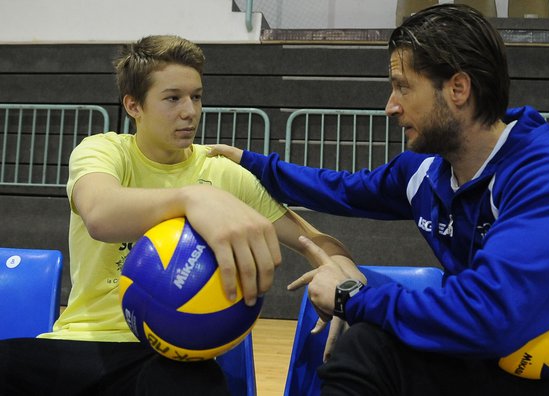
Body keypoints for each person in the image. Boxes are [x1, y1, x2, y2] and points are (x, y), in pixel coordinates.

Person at [209, 4, 549, 395]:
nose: (390, 107)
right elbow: (341, 188)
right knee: (365, 346)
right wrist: (253, 164)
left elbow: (490, 315)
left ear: (458, 89)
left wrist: (351, 298)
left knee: (367, 325)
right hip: (477, 358)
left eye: (402, 88)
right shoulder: (426, 171)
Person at [0, 35, 360, 395]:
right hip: (84, 341)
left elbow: (313, 241)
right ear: (133, 105)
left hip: (172, 356)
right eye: (173, 98)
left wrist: (343, 274)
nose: (190, 111)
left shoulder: (224, 174)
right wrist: (192, 199)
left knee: (196, 386)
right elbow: (99, 213)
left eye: (196, 96)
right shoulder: (105, 151)